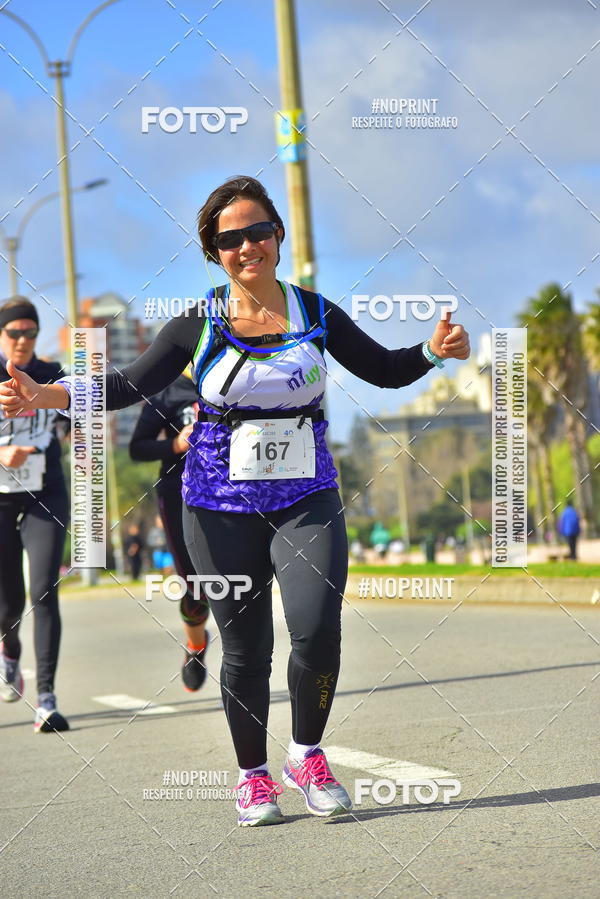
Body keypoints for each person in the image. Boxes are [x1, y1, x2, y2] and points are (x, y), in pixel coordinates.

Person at [0, 176, 471, 824]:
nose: (246, 245)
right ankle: (253, 776)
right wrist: (44, 396)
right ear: (214, 252)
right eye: (230, 239)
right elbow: (127, 384)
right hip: (217, 504)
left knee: (315, 627)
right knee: (246, 648)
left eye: (257, 231)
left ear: (277, 235)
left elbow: (385, 367)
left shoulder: (314, 311)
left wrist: (432, 350)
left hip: (306, 493)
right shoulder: (200, 321)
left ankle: (306, 754)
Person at [0, 297, 70, 733]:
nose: (22, 340)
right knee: (7, 604)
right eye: (13, 333)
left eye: (29, 332)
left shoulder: (52, 374)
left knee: (44, 590)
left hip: (46, 493)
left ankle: (46, 697)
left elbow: (77, 415)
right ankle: (9, 648)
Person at [129, 372, 210, 691]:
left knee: (242, 579)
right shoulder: (167, 391)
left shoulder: (236, 377)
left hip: (235, 490)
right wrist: (176, 443)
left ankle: (244, 661)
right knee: (196, 586)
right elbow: (138, 448)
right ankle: (196, 647)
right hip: (180, 493)